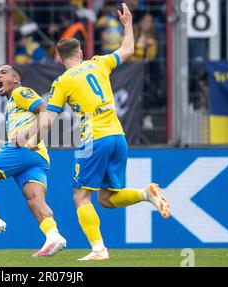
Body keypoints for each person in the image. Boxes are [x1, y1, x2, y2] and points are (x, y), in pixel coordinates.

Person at [24, 3, 170, 261]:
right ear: (80, 53)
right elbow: (128, 49)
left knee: (81, 197)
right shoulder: (99, 63)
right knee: (106, 198)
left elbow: (48, 118)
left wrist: (32, 139)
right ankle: (147, 194)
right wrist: (127, 25)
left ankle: (98, 250)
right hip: (118, 137)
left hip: (94, 140)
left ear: (59, 58)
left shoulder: (63, 81)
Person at [0, 65, 67, 257]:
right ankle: (53, 235)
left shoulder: (21, 92)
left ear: (16, 79)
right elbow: (16, 140)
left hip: (25, 150)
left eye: (4, 72)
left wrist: (27, 134)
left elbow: (45, 111)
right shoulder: (12, 106)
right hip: (38, 156)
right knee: (34, 199)